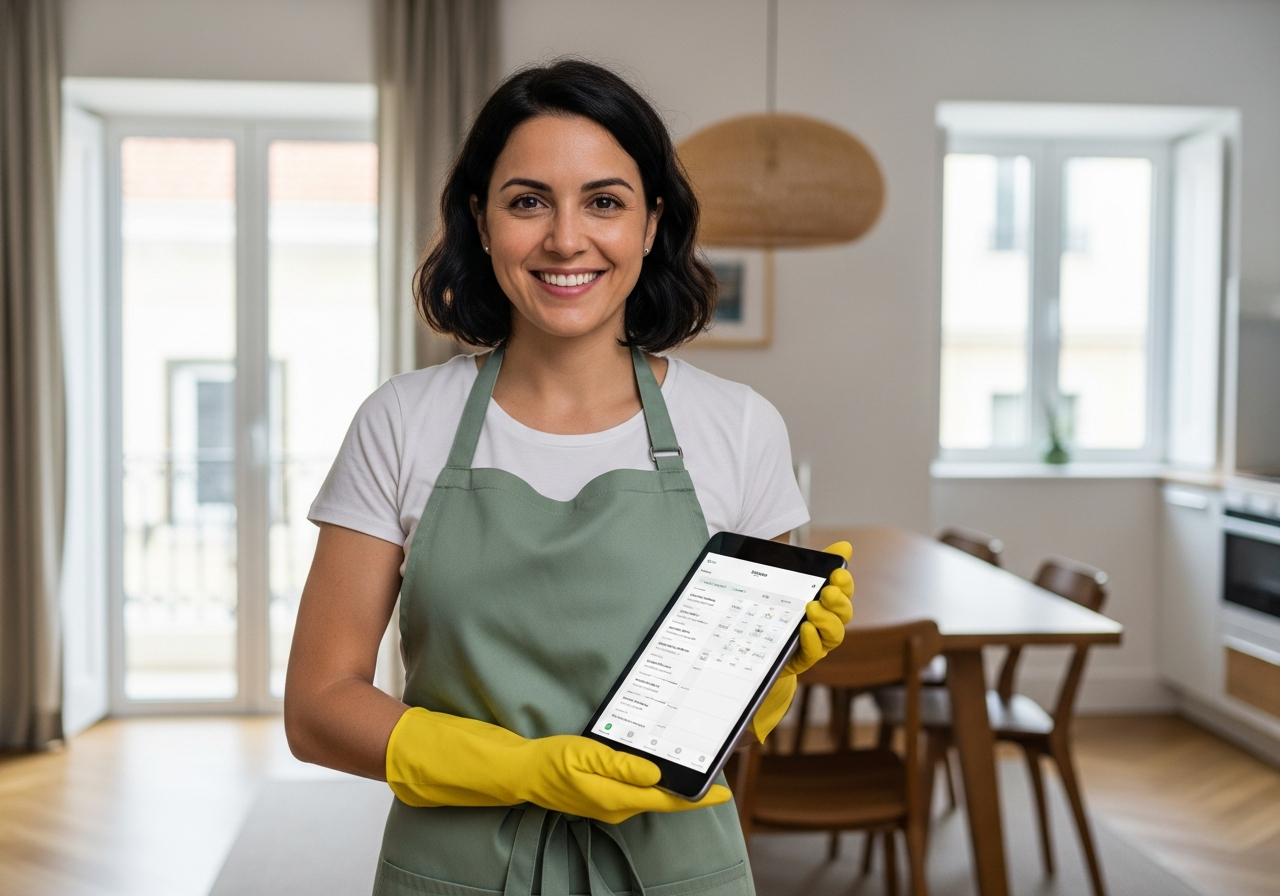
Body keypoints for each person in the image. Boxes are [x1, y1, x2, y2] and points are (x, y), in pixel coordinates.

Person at [283, 59, 854, 896]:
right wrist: (526, 770)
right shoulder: (401, 420)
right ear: (480, 221)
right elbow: (318, 706)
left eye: (604, 201)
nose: (564, 239)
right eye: (527, 201)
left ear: (652, 223)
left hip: (675, 872)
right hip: (456, 873)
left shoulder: (739, 426)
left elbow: (715, 725)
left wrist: (773, 675)